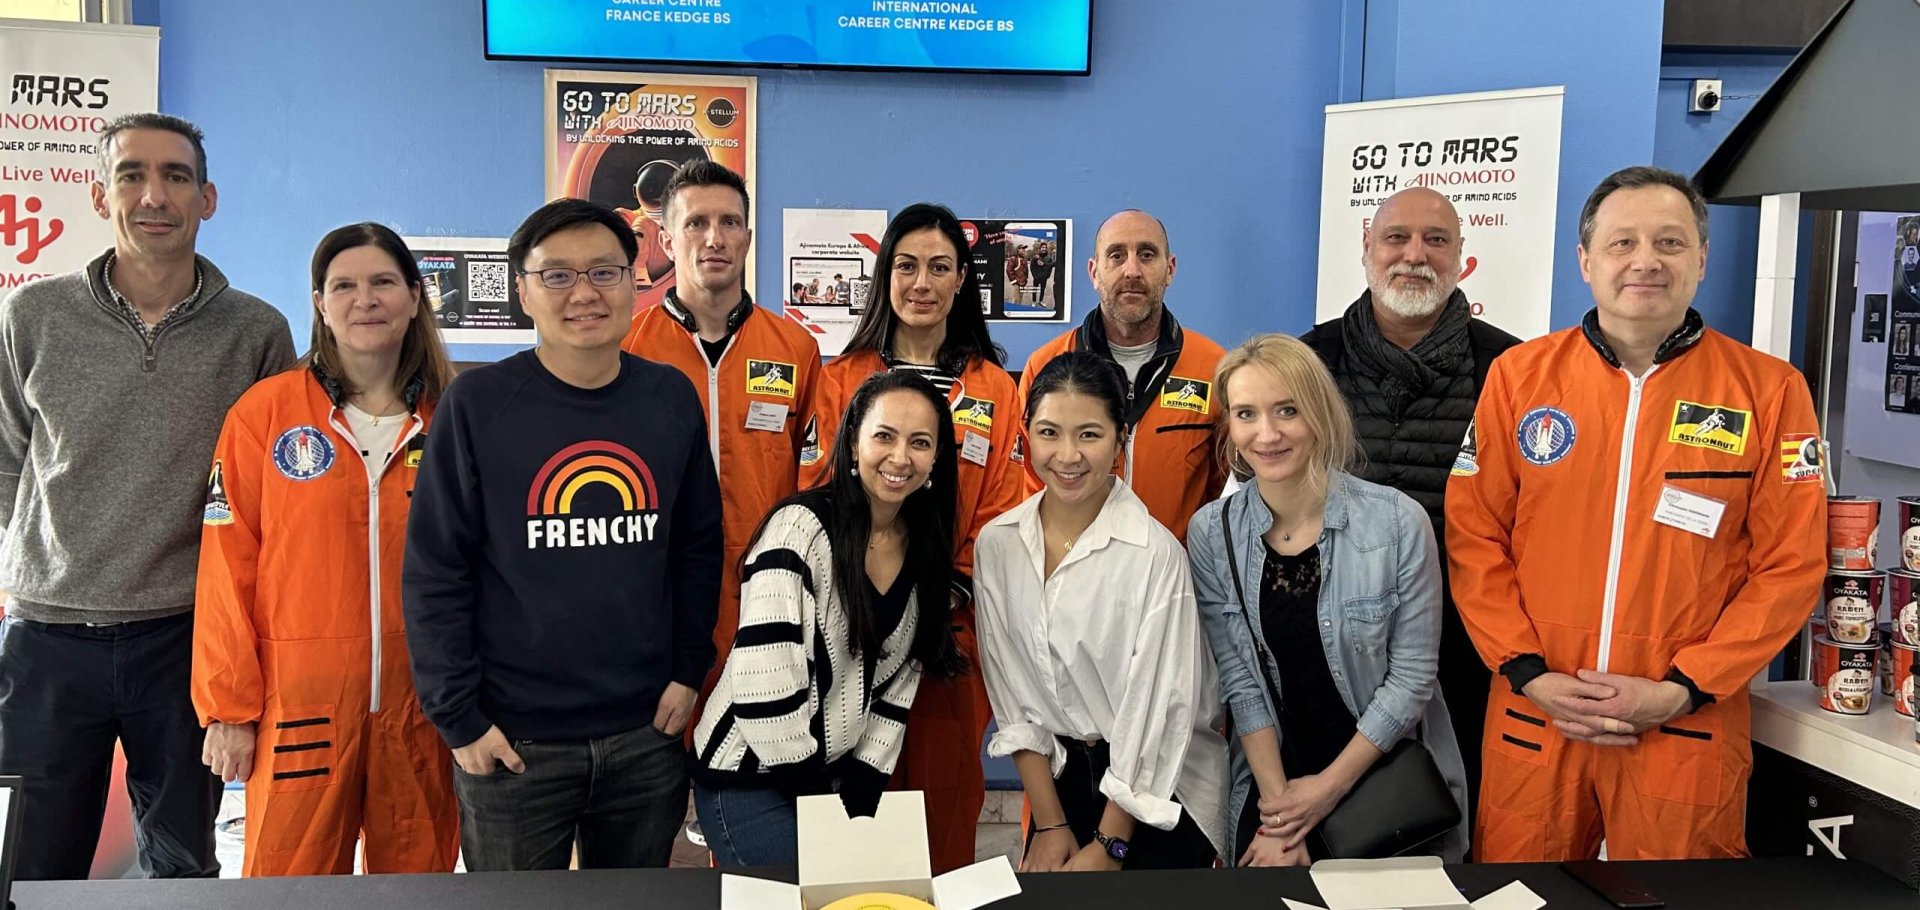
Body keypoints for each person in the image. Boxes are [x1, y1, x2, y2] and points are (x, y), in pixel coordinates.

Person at [1447, 166, 1827, 861]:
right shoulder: (1519, 378)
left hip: (1683, 723)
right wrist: (1528, 671)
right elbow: (1475, 538)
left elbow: (1792, 565)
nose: (1646, 261)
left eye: (1670, 242)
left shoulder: (1769, 392)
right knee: (1520, 900)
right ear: (1586, 261)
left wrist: (1687, 687)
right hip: (1539, 714)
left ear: (1702, 260)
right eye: (1623, 243)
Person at [0, 113, 295, 880]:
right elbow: (4, 463)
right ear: (102, 197)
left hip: (184, 641)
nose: (153, 194)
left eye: (175, 176)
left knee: (183, 868)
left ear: (208, 198)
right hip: (48, 640)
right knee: (28, 866)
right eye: (131, 174)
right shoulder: (31, 315)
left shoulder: (257, 332)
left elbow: (269, 501)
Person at [402, 198, 724, 871]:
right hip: (514, 742)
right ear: (523, 291)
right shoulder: (477, 405)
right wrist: (459, 719)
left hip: (645, 732)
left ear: (635, 283)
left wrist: (688, 672)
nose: (584, 293)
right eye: (557, 276)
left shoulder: (669, 399)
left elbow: (697, 549)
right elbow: (436, 571)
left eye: (604, 273)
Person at [194, 223, 459, 876]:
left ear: (415, 296)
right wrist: (228, 710)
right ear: (319, 303)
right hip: (302, 711)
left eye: (382, 283)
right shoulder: (264, 415)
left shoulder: (456, 416)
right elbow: (228, 566)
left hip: (422, 708)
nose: (364, 299)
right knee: (290, 891)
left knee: (420, 892)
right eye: (344, 285)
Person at [798, 202, 1024, 873]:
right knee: (849, 808)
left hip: (948, 634)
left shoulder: (993, 388)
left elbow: (1005, 510)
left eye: (939, 267)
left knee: (944, 807)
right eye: (906, 266)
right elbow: (816, 491)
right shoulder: (841, 380)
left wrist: (941, 592)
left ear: (962, 282)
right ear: (884, 277)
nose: (921, 282)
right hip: (852, 628)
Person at [1188, 334, 1469, 866]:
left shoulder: (1396, 522)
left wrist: (1324, 793)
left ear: (1318, 412)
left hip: (1381, 778)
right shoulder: (1212, 531)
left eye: (1286, 410)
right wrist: (1280, 815)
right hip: (1273, 776)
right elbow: (1241, 680)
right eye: (1246, 413)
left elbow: (1411, 680)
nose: (1266, 434)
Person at [1300, 187, 1520, 821]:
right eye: (1396, 238)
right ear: (1367, 248)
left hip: (1467, 644)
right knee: (1337, 815)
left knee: (1462, 810)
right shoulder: (1312, 361)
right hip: (1332, 637)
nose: (1414, 255)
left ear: (1461, 257)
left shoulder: (1511, 367)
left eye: (1436, 240)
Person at [692, 371, 965, 866]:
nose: (901, 457)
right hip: (750, 776)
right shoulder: (798, 529)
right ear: (853, 441)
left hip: (830, 777)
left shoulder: (925, 545)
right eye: (884, 436)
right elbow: (764, 691)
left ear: (937, 457)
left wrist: (860, 796)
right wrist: (828, 820)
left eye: (920, 442)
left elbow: (899, 684)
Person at [975, 352, 1228, 872]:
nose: (1067, 455)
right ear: (1026, 435)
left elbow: (1159, 712)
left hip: (1160, 787)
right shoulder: (997, 545)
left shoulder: (1155, 555)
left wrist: (1111, 844)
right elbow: (1012, 692)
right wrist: (1049, 823)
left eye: (1089, 434)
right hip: (1060, 779)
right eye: (1050, 432)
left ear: (1120, 441)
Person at [621, 161, 820, 737]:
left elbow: (817, 476)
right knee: (654, 770)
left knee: (752, 765)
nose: (714, 238)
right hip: (656, 594)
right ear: (666, 238)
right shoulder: (629, 347)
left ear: (749, 238)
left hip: (764, 594)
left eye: (730, 222)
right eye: (696, 222)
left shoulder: (794, 348)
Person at [1020, 210, 1225, 542]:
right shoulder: (1045, 364)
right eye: (1116, 256)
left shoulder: (1213, 367)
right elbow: (1029, 481)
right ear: (1094, 272)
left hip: (1173, 579)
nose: (1132, 270)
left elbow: (1221, 489)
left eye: (1147, 254)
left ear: (1169, 269)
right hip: (1071, 574)